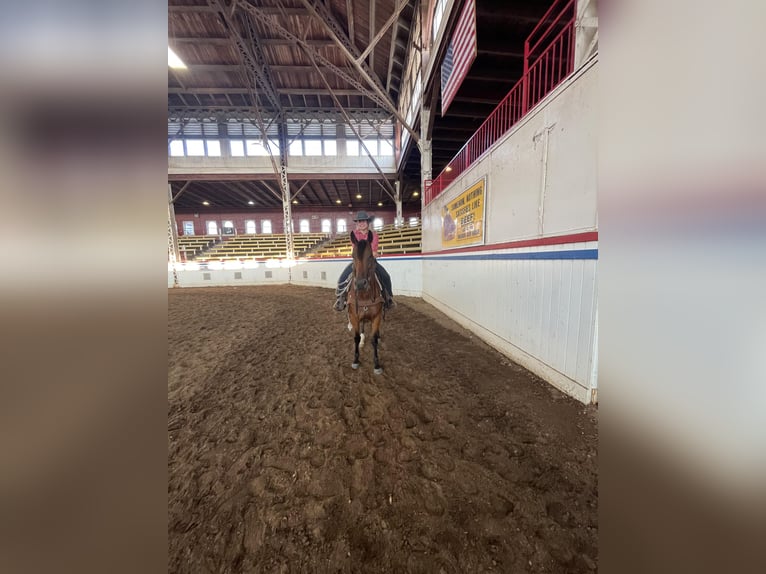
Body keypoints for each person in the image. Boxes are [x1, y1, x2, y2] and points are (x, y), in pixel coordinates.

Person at [333, 211, 394, 311]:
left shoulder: (373, 235)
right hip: (357, 262)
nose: (361, 223)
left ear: (368, 222)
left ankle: (388, 298)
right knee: (342, 278)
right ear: (357, 223)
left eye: (363, 221)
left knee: (385, 276)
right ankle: (341, 299)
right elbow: (356, 248)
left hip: (370, 261)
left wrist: (373, 253)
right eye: (359, 221)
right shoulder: (354, 234)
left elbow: (373, 249)